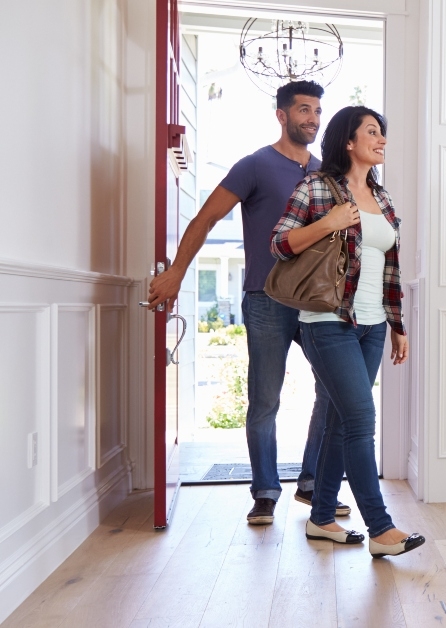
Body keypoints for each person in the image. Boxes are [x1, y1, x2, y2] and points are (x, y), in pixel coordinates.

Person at [145, 80, 352, 525]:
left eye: (317, 111)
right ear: (282, 115)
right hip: (266, 298)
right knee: (264, 399)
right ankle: (264, 491)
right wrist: (177, 271)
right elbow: (205, 218)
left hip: (317, 303)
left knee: (334, 392)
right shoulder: (255, 165)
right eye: (303, 110)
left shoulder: (325, 174)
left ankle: (313, 483)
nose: (312, 119)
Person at [270, 106, 425, 558]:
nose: (382, 140)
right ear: (348, 142)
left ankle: (321, 519)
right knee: (360, 421)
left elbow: (391, 268)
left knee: (340, 422)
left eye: (384, 132)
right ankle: (380, 528)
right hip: (328, 323)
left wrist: (398, 326)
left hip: (373, 326)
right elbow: (278, 243)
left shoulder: (384, 197)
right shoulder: (316, 187)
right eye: (373, 132)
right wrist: (328, 222)